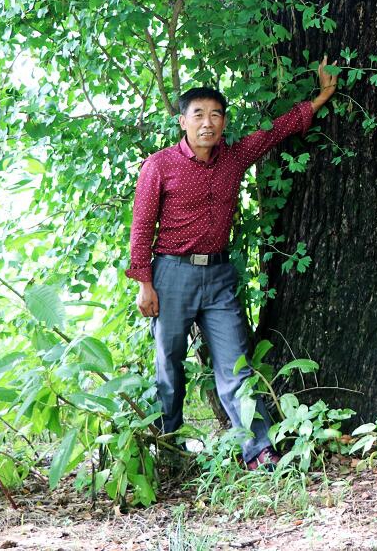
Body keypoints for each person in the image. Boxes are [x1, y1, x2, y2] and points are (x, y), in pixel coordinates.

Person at [125, 60, 339, 467]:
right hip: (172, 275)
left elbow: (275, 131)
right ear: (183, 122)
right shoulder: (160, 166)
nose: (207, 123)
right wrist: (144, 283)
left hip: (219, 275)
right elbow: (141, 227)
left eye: (216, 115)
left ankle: (259, 451)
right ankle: (169, 451)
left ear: (224, 122)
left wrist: (321, 97)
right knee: (169, 366)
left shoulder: (234, 157)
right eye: (198, 115)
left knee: (236, 367)